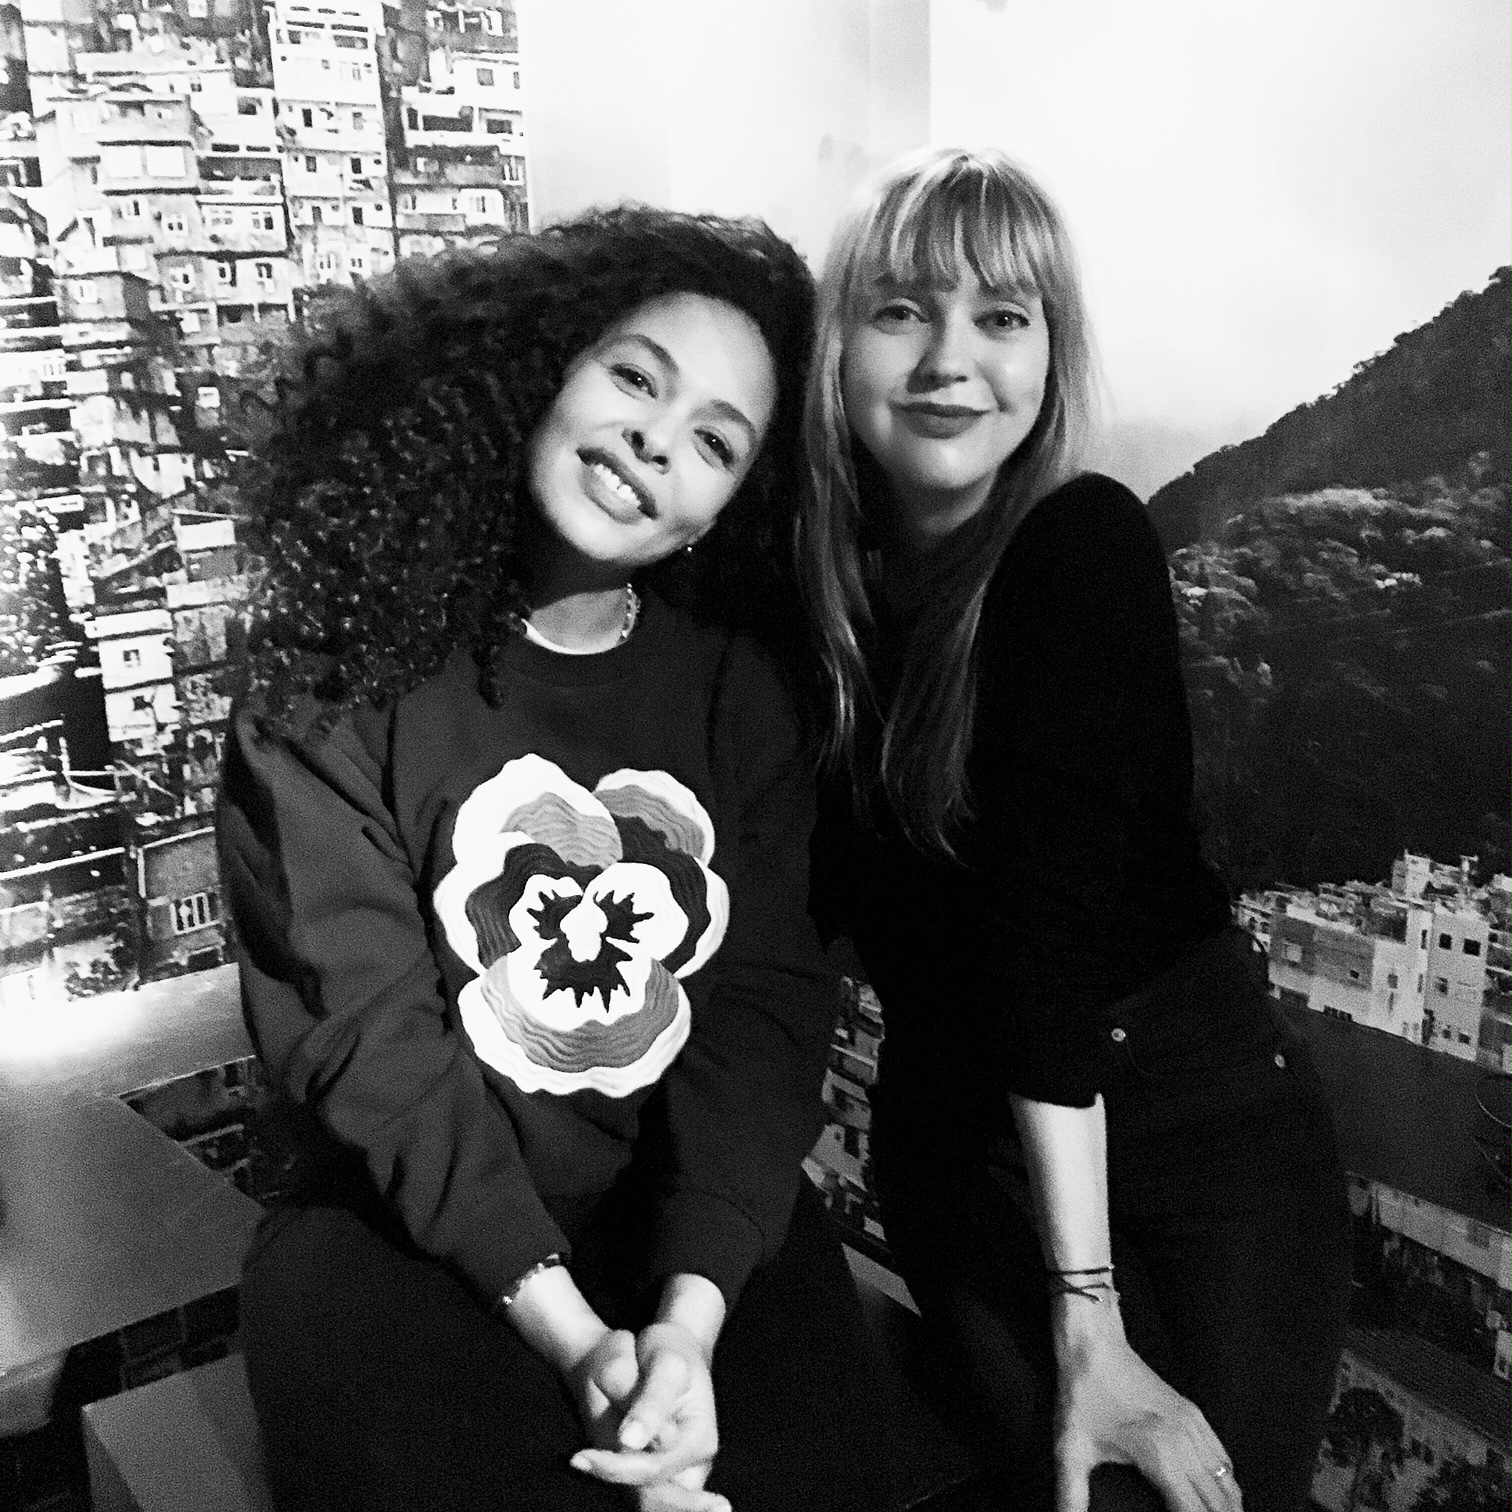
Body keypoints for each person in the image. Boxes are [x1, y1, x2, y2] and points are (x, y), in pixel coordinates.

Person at [218, 208, 962, 1512]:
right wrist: (579, 1346)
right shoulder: (333, 677)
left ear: (728, 507)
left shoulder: (746, 697)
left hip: (680, 1220)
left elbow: (764, 1020)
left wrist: (684, 1329)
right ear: (540, 366)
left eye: (716, 441)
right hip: (406, 1223)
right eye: (634, 377)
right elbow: (367, 1040)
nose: (656, 441)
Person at [799, 148, 1352, 1512]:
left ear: (1050, 356)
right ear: (839, 345)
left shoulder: (1080, 542)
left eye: (1002, 316)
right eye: (902, 311)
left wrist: (1088, 1316)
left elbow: (1048, 951)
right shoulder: (809, 599)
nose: (950, 360)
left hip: (1204, 1124)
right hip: (967, 1139)